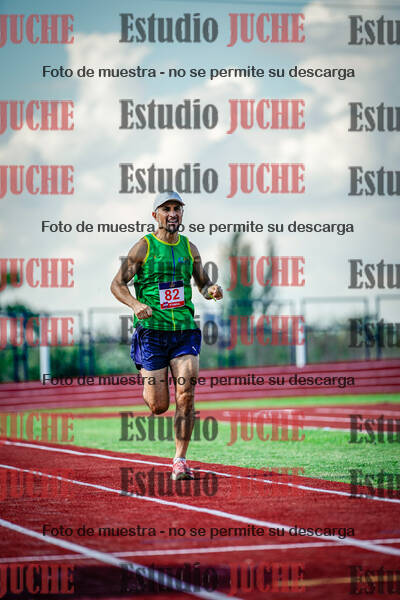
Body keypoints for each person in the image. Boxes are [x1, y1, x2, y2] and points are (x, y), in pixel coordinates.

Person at [110, 191, 223, 480]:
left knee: (186, 394)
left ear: (182, 213)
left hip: (184, 331)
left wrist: (211, 289)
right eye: (166, 209)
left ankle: (180, 461)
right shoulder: (144, 247)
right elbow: (117, 284)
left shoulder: (189, 248)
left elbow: (202, 283)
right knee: (158, 406)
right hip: (152, 333)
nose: (173, 213)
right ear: (155, 215)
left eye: (177, 208)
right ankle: (147, 375)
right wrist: (135, 305)